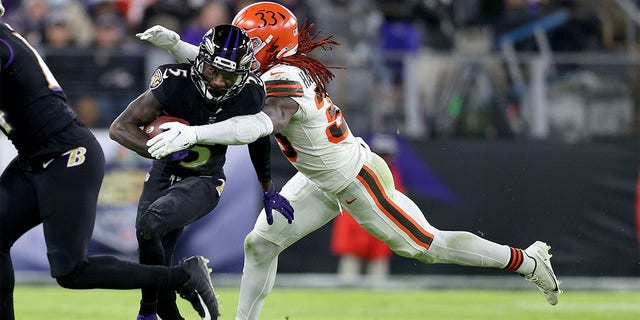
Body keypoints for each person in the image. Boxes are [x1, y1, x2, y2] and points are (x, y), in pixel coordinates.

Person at [137, 2, 561, 319]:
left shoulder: (281, 79)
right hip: (316, 179)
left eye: (250, 42)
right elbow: (223, 66)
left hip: (356, 179)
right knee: (260, 244)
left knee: (426, 246)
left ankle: (526, 260)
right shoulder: (267, 69)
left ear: (267, 47)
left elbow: (257, 126)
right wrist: (177, 45)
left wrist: (194, 133)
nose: (242, 49)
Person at [0, 5, 219, 320]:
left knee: (71, 271)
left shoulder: (4, 44)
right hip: (36, 157)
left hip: (66, 156)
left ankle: (182, 277)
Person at [109, 24, 293, 320]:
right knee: (153, 247)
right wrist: (155, 147)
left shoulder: (249, 93)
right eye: (213, 71)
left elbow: (258, 140)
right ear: (200, 61)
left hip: (204, 179)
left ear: (242, 75)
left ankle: (159, 303)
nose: (219, 81)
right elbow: (120, 127)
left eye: (229, 76)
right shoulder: (174, 81)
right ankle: (167, 311)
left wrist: (267, 186)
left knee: (151, 226)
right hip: (163, 172)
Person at [330, 134, 404, 281]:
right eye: (382, 154)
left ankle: (378, 302)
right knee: (350, 266)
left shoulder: (393, 175)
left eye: (387, 154)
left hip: (381, 224)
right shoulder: (357, 168)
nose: (384, 158)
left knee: (377, 269)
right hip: (355, 222)